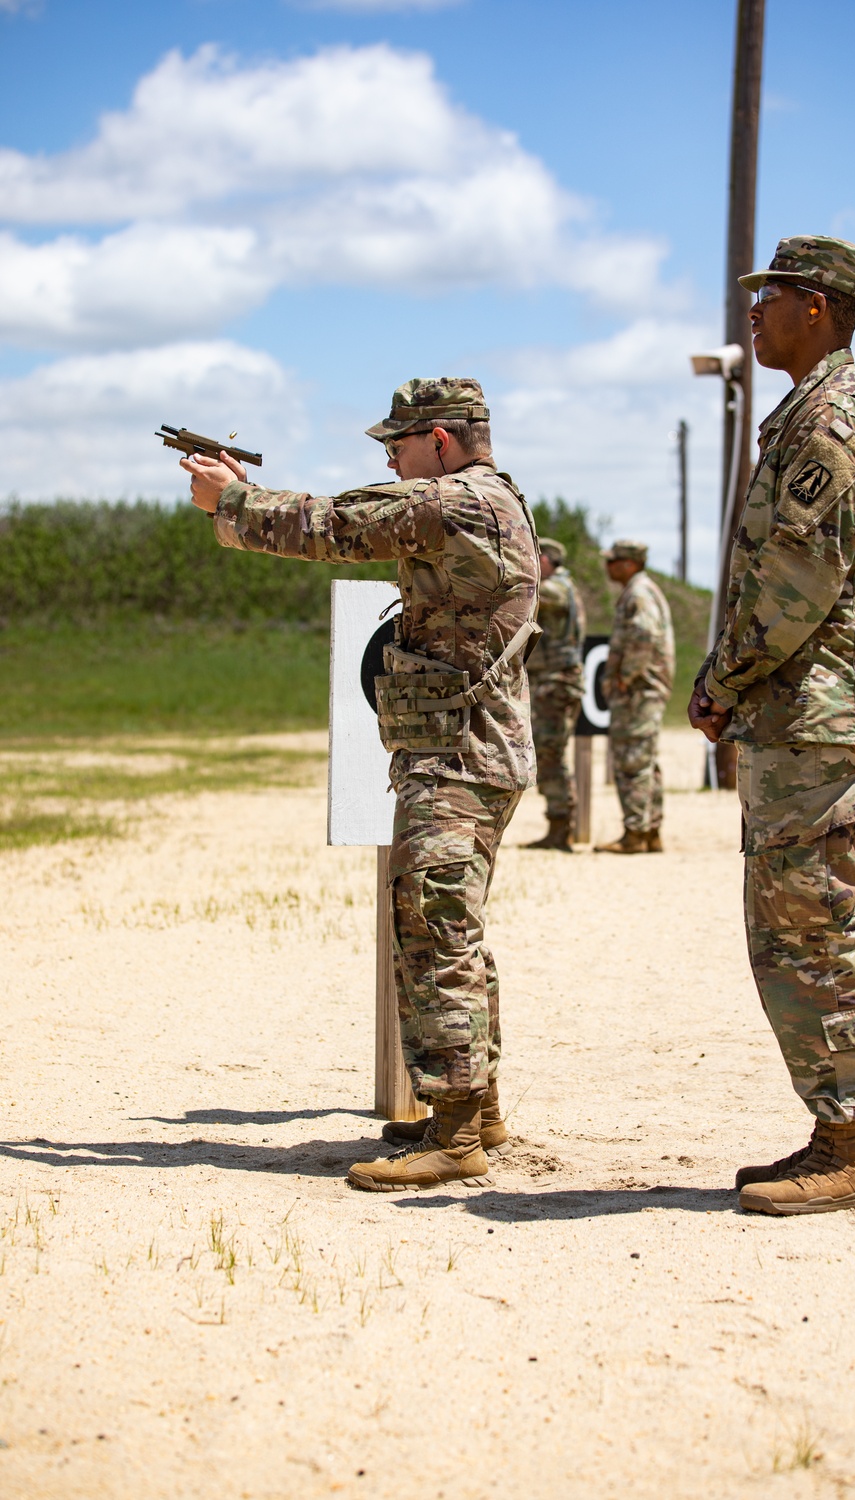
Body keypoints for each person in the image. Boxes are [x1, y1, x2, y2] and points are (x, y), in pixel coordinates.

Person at [181, 378, 540, 1192]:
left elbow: (337, 525)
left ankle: (453, 1133)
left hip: (456, 752)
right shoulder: (490, 500)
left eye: (398, 447)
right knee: (452, 925)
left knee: (434, 932)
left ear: (440, 442)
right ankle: (473, 1108)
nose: (389, 461)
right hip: (466, 748)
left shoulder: (456, 503)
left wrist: (231, 502)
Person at [688, 235, 855, 1215]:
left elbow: (795, 582)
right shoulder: (807, 410)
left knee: (810, 926)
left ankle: (847, 1149)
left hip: (818, 709)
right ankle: (830, 1132)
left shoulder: (831, 420)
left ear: (816, 306)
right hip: (803, 711)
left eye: (769, 294)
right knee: (789, 927)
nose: (752, 309)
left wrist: (724, 679)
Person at [595, 540, 674, 853]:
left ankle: (635, 834)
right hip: (644, 690)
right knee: (644, 759)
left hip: (639, 691)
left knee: (632, 761)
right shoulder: (641, 590)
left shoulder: (639, 593)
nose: (608, 566)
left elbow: (643, 635)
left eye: (614, 561)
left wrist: (626, 676)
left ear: (629, 564)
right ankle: (650, 831)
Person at [523, 537, 586, 851]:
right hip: (552, 683)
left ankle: (561, 826)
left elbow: (529, 592)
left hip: (557, 684)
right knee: (549, 752)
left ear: (547, 560)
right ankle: (558, 825)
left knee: (551, 753)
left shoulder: (558, 589)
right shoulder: (559, 587)